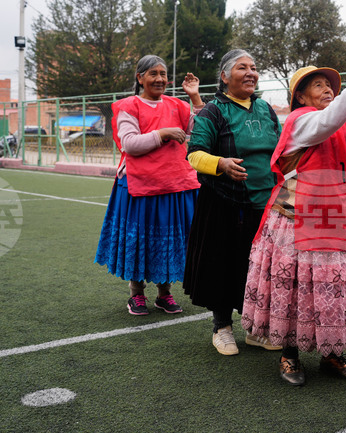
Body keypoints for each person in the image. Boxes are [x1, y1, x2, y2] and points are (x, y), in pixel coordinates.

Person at [241, 48, 346, 386]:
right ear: (300, 97)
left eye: (329, 84)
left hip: (337, 221)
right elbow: (328, 121)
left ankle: (331, 354)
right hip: (296, 222)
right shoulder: (301, 121)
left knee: (332, 290)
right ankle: (289, 355)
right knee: (296, 289)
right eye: (317, 84)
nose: (327, 88)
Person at [183, 49, 282, 356]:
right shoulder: (214, 110)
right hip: (225, 203)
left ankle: (254, 328)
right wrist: (222, 163)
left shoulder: (266, 108)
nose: (251, 73)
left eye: (254, 68)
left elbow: (281, 149)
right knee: (223, 263)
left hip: (265, 204)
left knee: (259, 269)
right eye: (242, 68)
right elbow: (194, 154)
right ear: (225, 77)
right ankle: (222, 327)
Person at [95, 55, 203, 315]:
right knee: (141, 241)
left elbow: (201, 130)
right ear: (140, 77)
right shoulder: (129, 106)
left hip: (176, 185)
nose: (160, 79)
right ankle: (137, 294)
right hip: (139, 186)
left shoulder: (178, 105)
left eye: (163, 74)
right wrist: (163, 133)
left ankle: (164, 294)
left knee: (168, 241)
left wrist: (196, 98)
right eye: (153, 73)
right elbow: (129, 144)